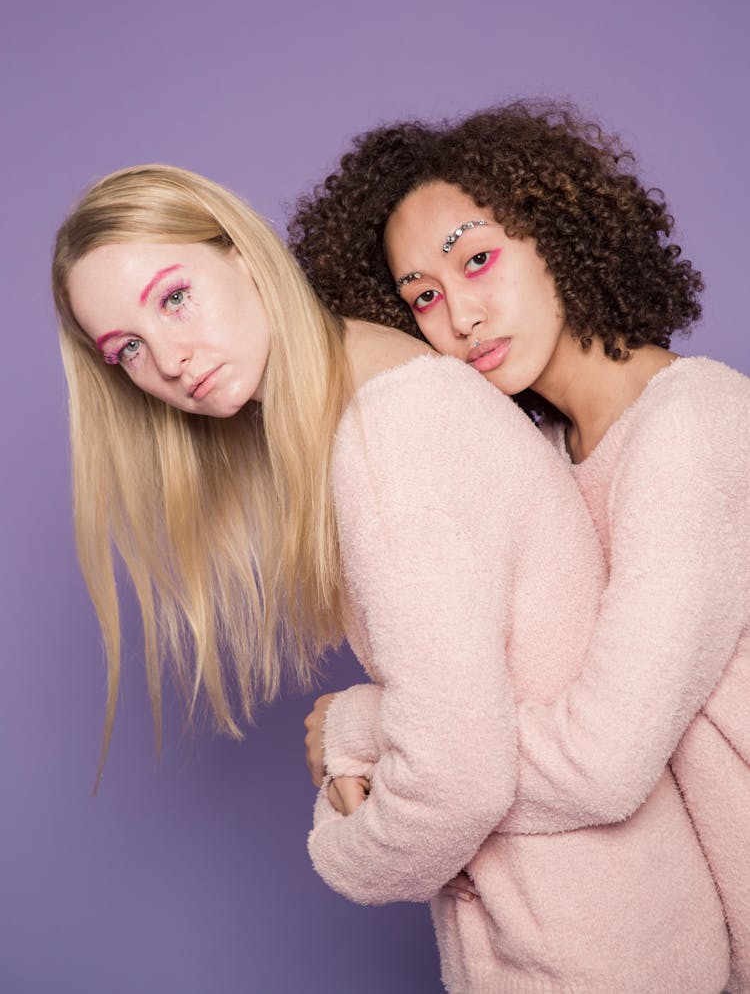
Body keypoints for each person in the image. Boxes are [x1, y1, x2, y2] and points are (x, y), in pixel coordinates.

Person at [53, 163, 730, 994]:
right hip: (600, 928)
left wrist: (348, 813)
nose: (168, 358)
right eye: (125, 349)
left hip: (584, 951)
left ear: (242, 253)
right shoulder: (442, 415)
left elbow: (468, 775)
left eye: (174, 296)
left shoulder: (395, 430)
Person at [290, 101, 750, 992]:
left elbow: (605, 756)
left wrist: (367, 728)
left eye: (478, 258)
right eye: (422, 294)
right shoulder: (540, 458)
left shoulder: (697, 424)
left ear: (563, 234)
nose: (457, 313)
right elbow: (489, 704)